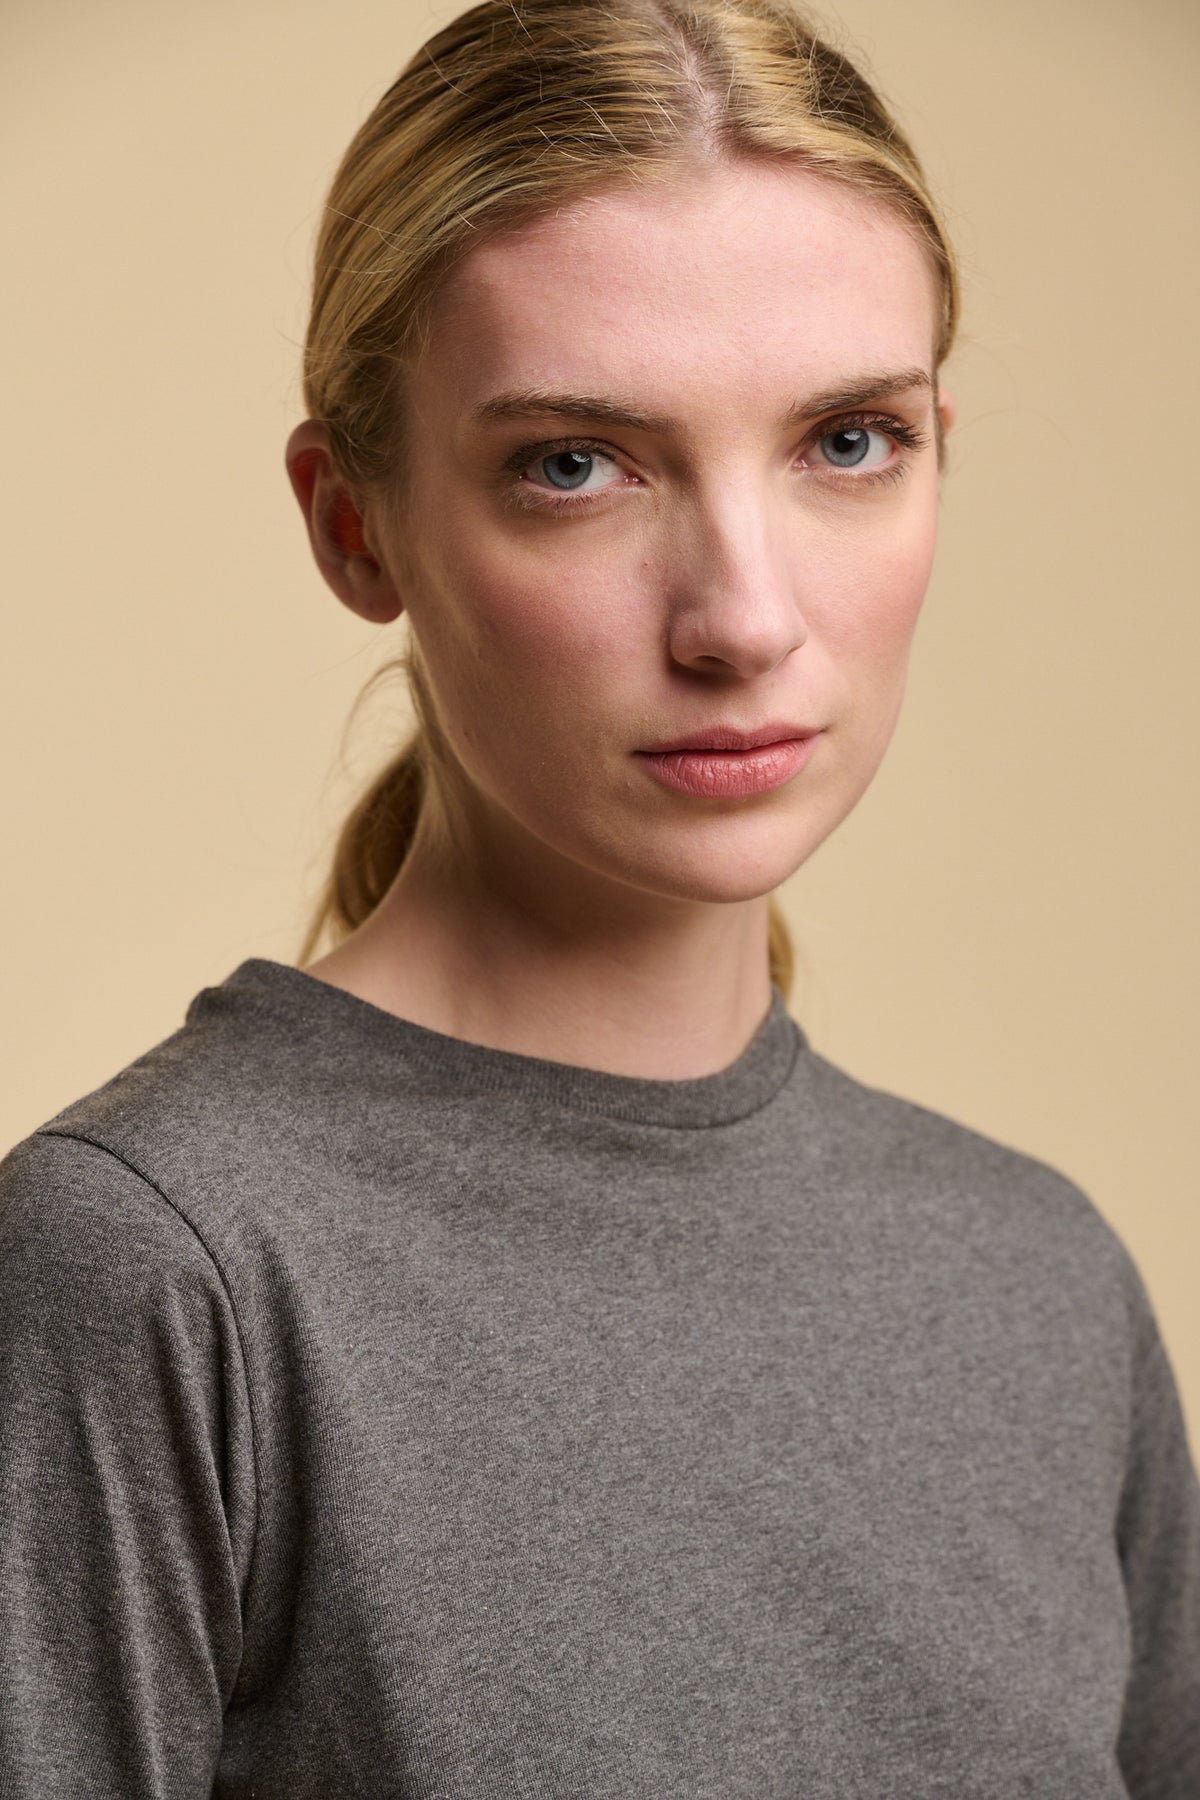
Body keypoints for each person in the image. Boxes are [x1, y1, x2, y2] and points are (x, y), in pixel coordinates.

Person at [1, 0, 1196, 1791]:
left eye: (847, 442)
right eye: (577, 464)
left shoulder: (1037, 1284)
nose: (743, 618)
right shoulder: (155, 1275)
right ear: (356, 525)